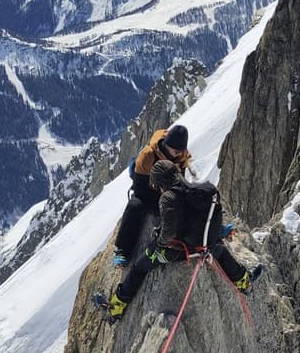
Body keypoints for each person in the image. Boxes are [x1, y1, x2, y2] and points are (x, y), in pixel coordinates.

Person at [107, 160, 262, 320]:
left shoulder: (168, 197)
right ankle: (244, 282)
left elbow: (168, 234)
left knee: (139, 267)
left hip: (179, 252)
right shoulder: (192, 190)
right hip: (206, 246)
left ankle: (117, 305)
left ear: (160, 182)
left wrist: (157, 246)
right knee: (221, 252)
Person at [113, 124, 191, 266]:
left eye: (181, 150)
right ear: (167, 145)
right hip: (147, 190)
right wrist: (159, 206)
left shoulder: (181, 157)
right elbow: (140, 189)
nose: (178, 153)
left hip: (167, 191)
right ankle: (122, 249)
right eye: (176, 150)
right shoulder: (147, 155)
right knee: (135, 205)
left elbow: (181, 183)